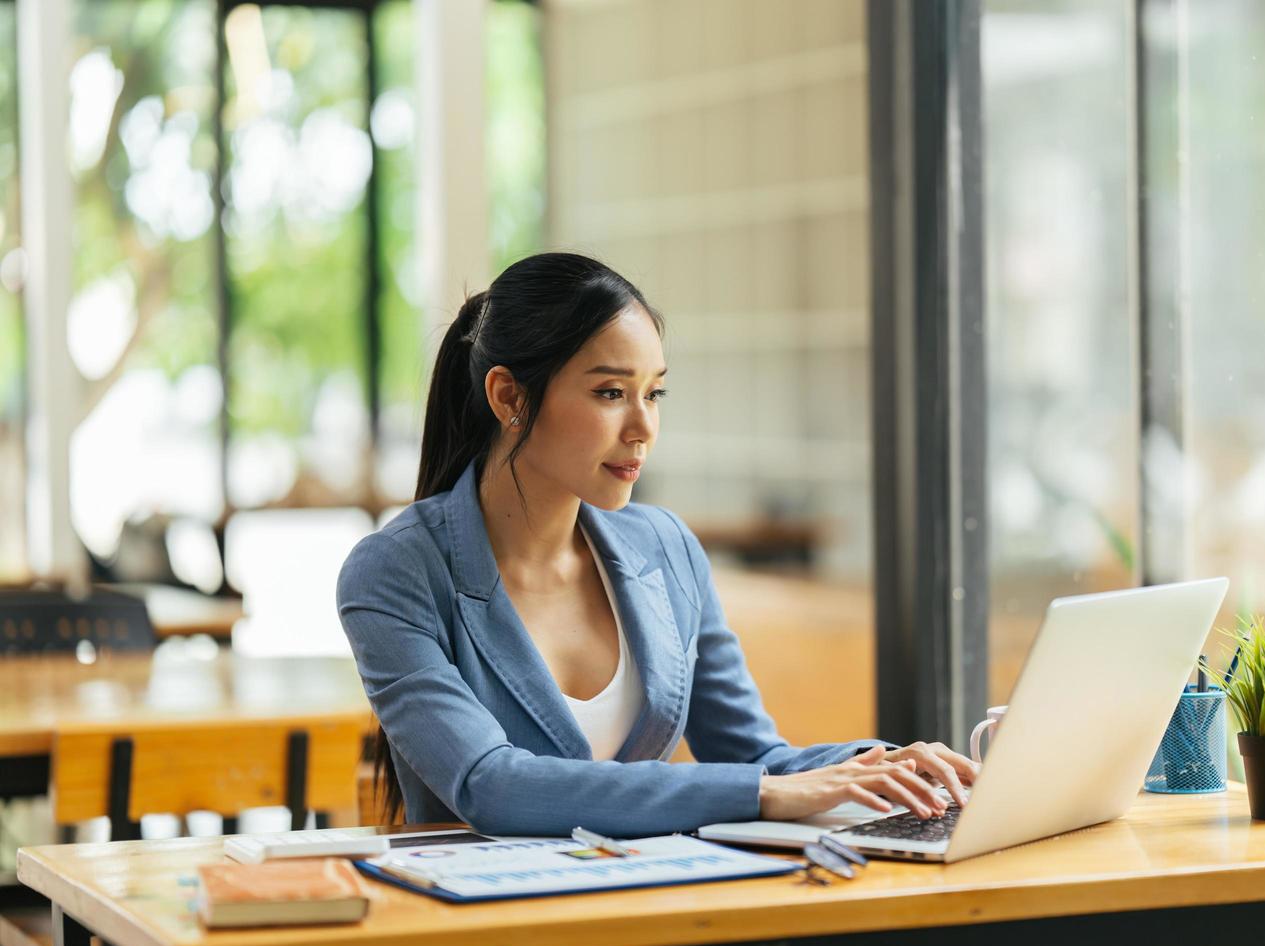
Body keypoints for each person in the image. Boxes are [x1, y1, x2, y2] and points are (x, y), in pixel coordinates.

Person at [337, 252, 979, 837]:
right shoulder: (395, 572)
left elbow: (753, 757)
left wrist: (881, 763)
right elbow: (491, 785)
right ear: (510, 396)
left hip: (650, 909)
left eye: (654, 393)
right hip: (493, 936)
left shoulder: (666, 547)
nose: (643, 427)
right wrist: (766, 792)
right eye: (610, 392)